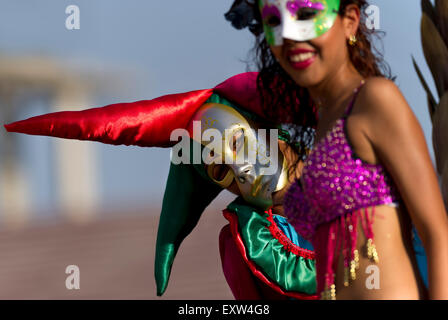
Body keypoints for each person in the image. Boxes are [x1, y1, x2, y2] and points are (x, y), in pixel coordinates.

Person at [4, 72, 317, 300]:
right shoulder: (249, 243)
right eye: (221, 169)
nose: (242, 169)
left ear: (267, 129)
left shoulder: (350, 160)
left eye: (238, 141)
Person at [231, 0, 448, 299]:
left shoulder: (375, 100)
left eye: (306, 15)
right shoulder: (325, 124)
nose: (290, 35)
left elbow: (438, 235)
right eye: (273, 21)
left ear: (350, 20)